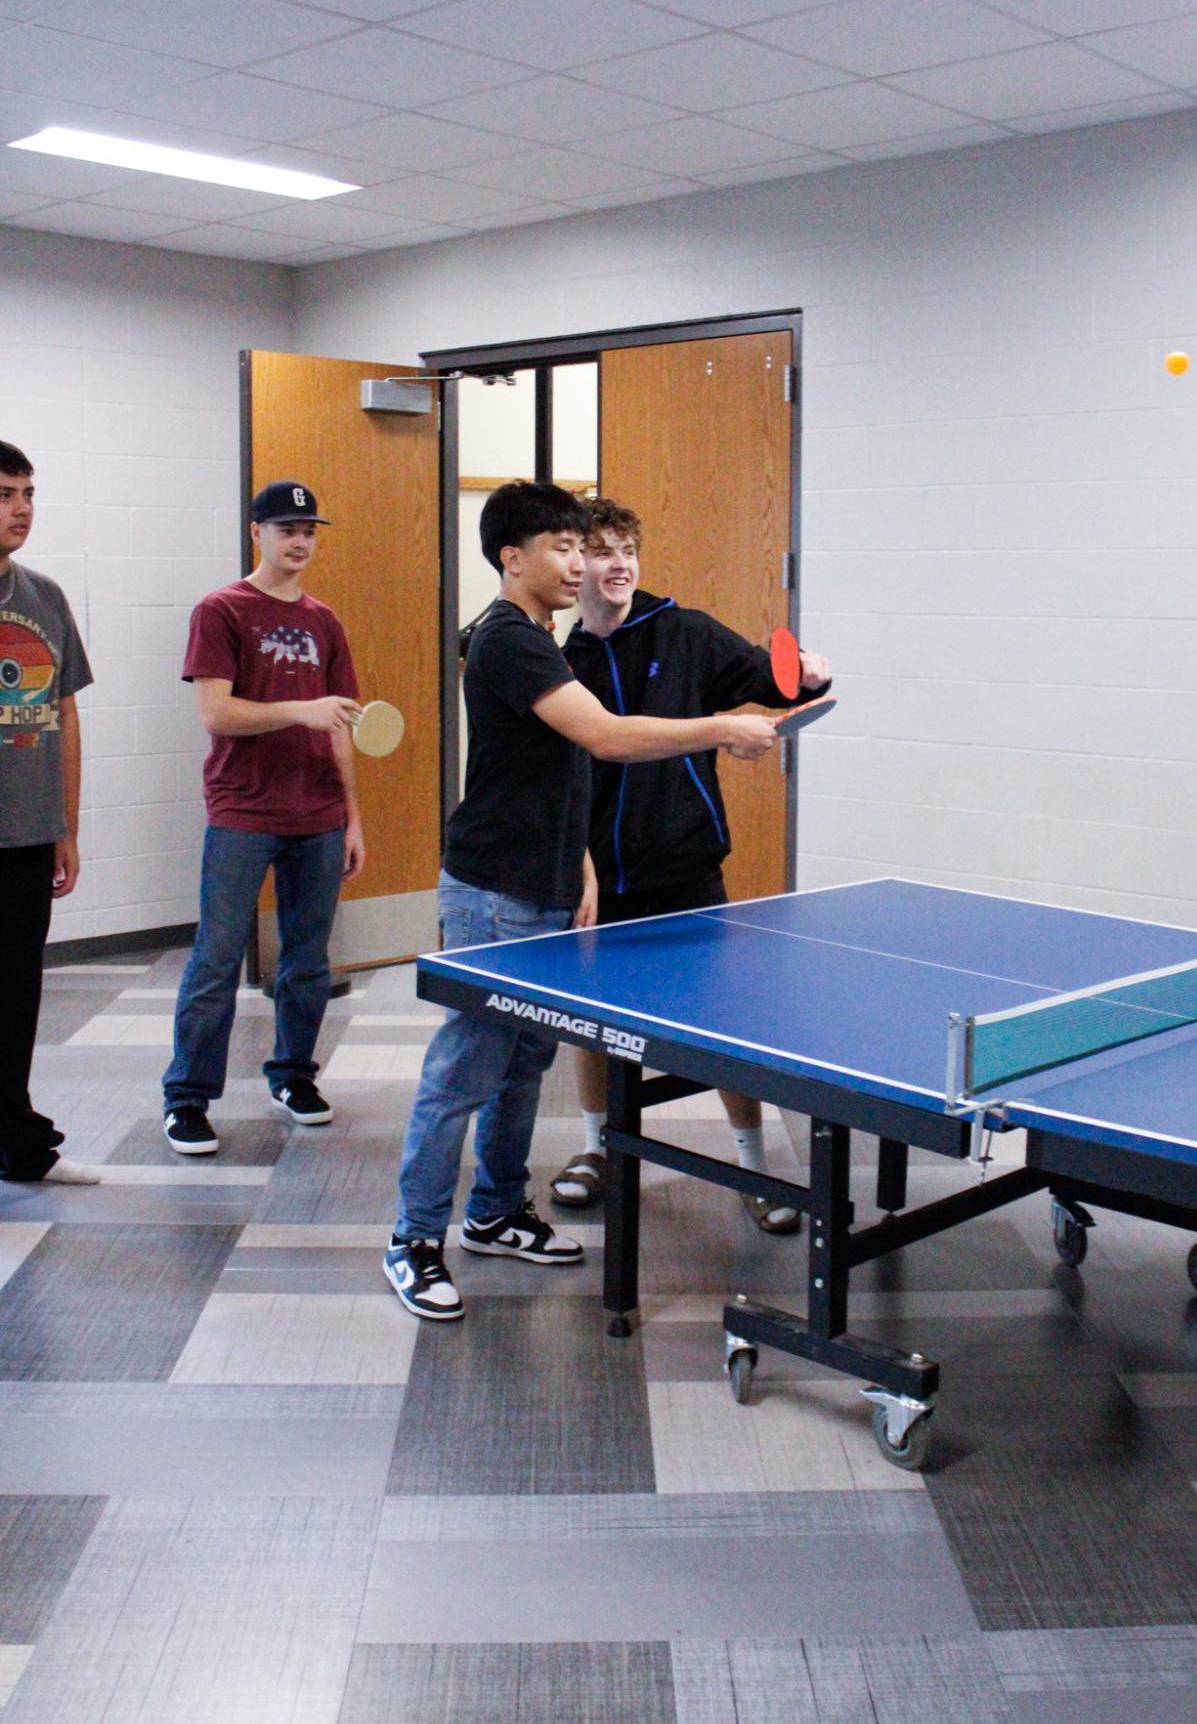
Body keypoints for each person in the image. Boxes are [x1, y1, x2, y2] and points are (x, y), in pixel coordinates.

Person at [385, 481, 776, 1321]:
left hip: (550, 885)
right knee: (465, 1068)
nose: (578, 562)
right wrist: (718, 726)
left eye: (580, 545)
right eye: (560, 548)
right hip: (494, 891)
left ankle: (493, 1210)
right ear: (510, 558)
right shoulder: (510, 642)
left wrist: (585, 865)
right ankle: (413, 1238)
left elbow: (561, 770)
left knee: (525, 1064)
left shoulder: (542, 635)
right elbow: (603, 737)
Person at [553, 496, 831, 1232]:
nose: (617, 565)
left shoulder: (685, 633)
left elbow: (773, 682)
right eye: (602, 551)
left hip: (684, 862)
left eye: (627, 550)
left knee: (722, 1024)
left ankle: (754, 1164)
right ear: (573, 565)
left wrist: (804, 675)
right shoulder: (554, 658)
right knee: (591, 1019)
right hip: (596, 876)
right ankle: (596, 1149)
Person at [161, 480, 365, 1156]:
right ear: (257, 532)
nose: (300, 540)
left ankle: (293, 1077)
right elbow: (218, 713)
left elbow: (340, 726)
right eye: (285, 528)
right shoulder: (221, 610)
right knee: (217, 958)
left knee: (308, 960)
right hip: (243, 811)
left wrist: (352, 818)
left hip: (319, 815)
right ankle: (188, 1097)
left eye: (309, 529)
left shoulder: (326, 620)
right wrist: (299, 709)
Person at [0, 439, 98, 1185]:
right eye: (5, 494)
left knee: (16, 993)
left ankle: (18, 1144)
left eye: (28, 493)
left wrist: (65, 824)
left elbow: (63, 714)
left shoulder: (45, 597)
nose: (22, 509)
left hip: (29, 836)